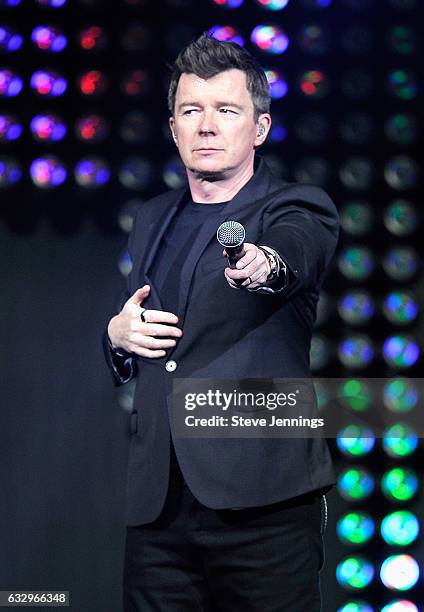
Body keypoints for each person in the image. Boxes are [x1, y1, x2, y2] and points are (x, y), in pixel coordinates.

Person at [104, 32, 339, 612]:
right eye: (192, 111)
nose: (206, 125)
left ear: (258, 128)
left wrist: (262, 265)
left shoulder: (296, 206)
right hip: (160, 510)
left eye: (226, 111)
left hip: (263, 507)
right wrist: (117, 339)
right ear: (174, 128)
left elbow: (290, 256)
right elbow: (135, 325)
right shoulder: (153, 217)